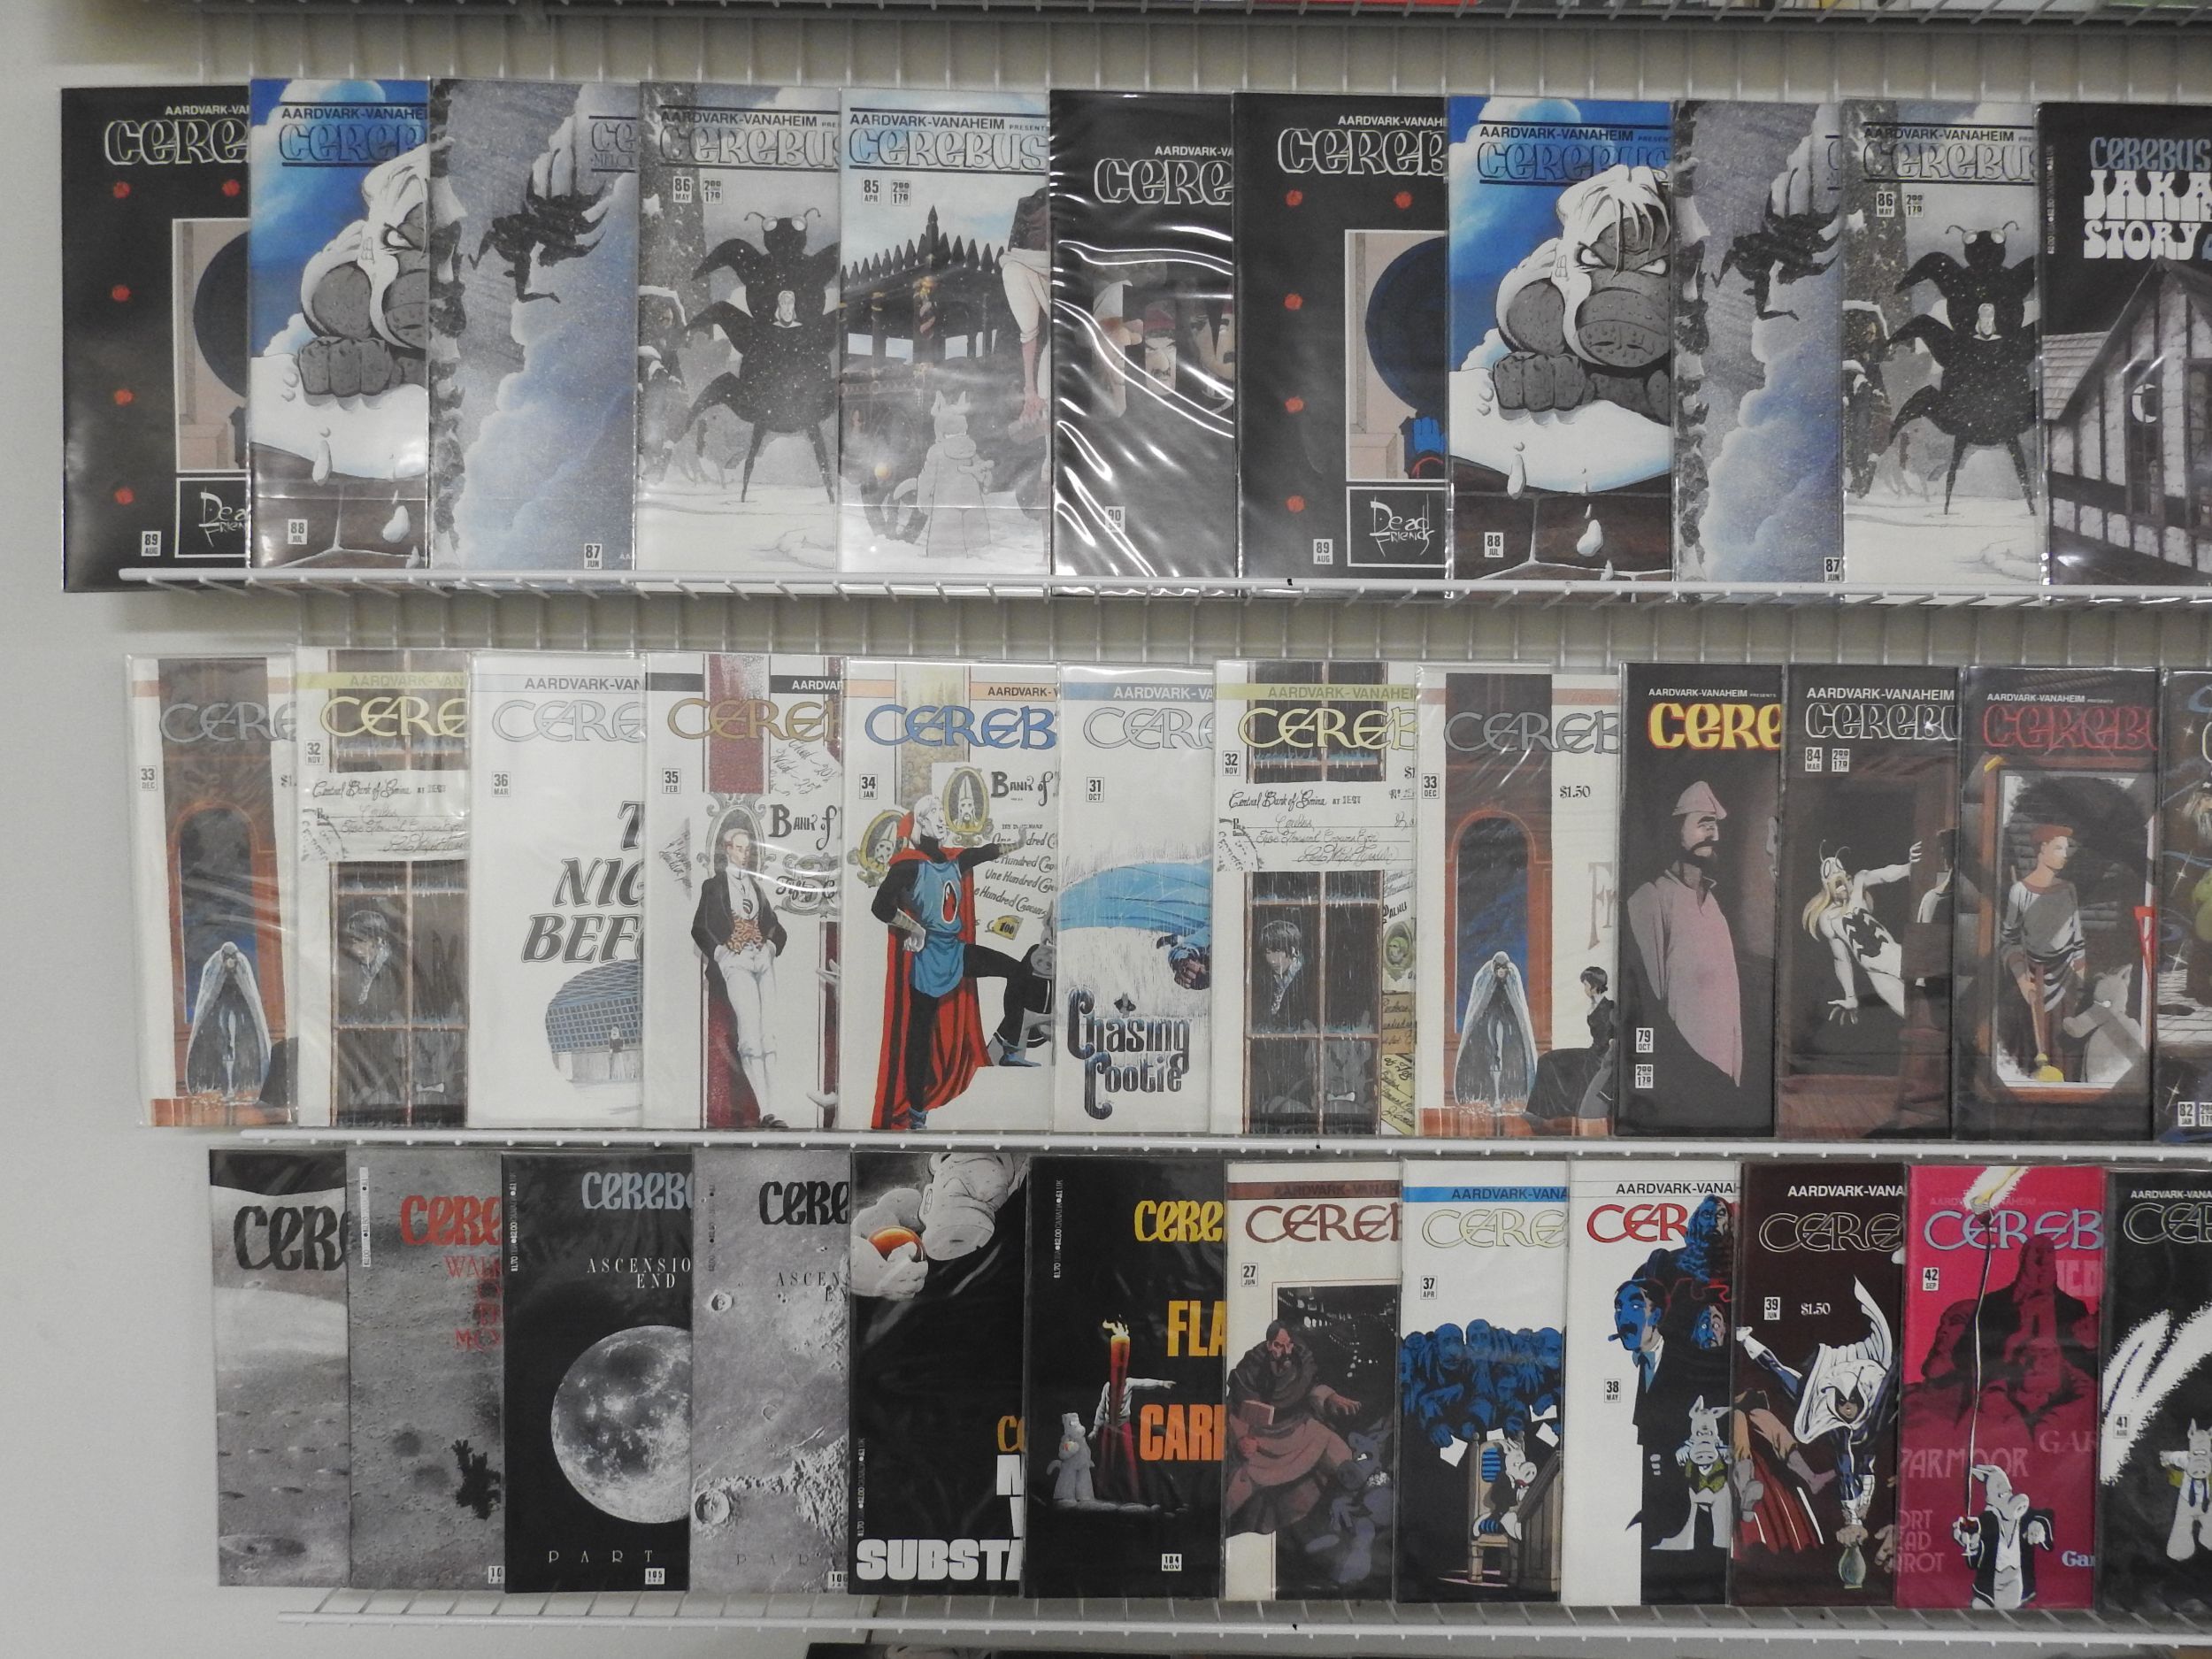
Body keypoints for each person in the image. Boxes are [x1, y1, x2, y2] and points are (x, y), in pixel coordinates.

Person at [871, 795, 1040, 1130]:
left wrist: (1017, 844)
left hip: (956, 951)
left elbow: (985, 852)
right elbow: (880, 907)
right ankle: (917, 1113)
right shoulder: (908, 865)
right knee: (919, 1038)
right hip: (928, 959)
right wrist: (913, 927)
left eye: (942, 813)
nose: (941, 819)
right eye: (934, 813)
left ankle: (1008, 1046)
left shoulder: (953, 861)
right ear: (922, 822)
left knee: (1019, 971)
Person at [1626, 780, 1744, 1083]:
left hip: (1723, 1070)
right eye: (1704, 824)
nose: (1714, 834)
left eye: (1715, 826)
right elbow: (1651, 998)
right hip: (1681, 1068)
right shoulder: (1652, 898)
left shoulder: (1715, 905)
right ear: (1676, 831)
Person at [1224, 1320, 1369, 1538]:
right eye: (1278, 1345)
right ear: (1269, 1344)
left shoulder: (1302, 1362)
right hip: (1259, 1439)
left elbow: (1312, 1389)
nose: (1284, 1352)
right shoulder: (1250, 1368)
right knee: (1237, 1489)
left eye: (1288, 1345)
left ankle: (1358, 1500)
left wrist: (1330, 1397)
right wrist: (1242, 1439)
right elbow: (1236, 1407)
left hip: (1297, 1428)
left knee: (1336, 1449)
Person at [690, 807, 788, 1126]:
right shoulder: (714, 886)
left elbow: (776, 927)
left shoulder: (756, 887)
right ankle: (765, 1110)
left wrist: (769, 946)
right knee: (749, 1034)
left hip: (762, 961)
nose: (745, 855)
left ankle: (776, 1108)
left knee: (769, 1033)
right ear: (727, 849)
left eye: (748, 849)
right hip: (736, 964)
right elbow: (700, 928)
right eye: (740, 849)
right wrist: (723, 953)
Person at [1997, 823, 2086, 1083]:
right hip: (2033, 979)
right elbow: (2009, 941)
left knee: (2064, 1045)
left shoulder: (2068, 889)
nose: (2064, 855)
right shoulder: (2020, 891)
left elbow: (2077, 939)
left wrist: (2080, 979)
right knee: (2030, 1048)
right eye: (2058, 848)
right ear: (2042, 849)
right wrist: (2022, 980)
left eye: (2066, 849)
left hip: (2066, 980)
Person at [1803, 842, 1916, 1022]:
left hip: (1896, 957)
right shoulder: (1827, 918)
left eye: (1838, 868)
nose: (1835, 873)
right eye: (1829, 872)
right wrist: (1850, 997)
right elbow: (1841, 959)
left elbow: (1885, 875)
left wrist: (1908, 867)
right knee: (1913, 1016)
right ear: (1825, 883)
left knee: (1932, 997)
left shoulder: (1858, 884)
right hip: (1877, 976)